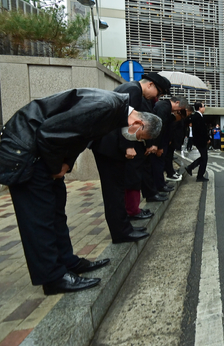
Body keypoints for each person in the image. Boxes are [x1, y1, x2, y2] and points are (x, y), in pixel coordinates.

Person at [0, 88, 162, 295]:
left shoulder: (114, 111)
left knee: (56, 211)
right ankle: (53, 278)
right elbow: (49, 133)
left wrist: (66, 164)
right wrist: (54, 168)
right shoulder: (107, 107)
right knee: (39, 218)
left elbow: (78, 137)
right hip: (26, 150)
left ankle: (67, 261)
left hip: (42, 153)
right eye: (140, 137)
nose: (136, 141)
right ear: (138, 123)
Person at [91, 72, 170, 244]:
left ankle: (125, 228)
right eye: (158, 93)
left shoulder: (129, 88)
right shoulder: (133, 90)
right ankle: (121, 233)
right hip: (109, 147)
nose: (157, 97)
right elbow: (126, 122)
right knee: (114, 192)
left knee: (118, 190)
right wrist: (128, 146)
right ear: (150, 85)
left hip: (108, 146)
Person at [151, 96, 188, 193]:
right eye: (179, 108)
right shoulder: (163, 107)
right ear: (177, 102)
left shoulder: (166, 108)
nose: (179, 111)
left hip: (162, 142)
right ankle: (159, 186)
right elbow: (160, 128)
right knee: (158, 165)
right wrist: (158, 146)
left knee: (160, 163)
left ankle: (161, 184)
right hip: (158, 143)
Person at [185, 102, 211, 181]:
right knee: (204, 158)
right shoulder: (197, 117)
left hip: (199, 140)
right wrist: (207, 139)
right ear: (199, 108)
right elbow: (201, 130)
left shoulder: (198, 116)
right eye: (203, 106)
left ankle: (191, 167)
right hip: (200, 140)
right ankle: (199, 175)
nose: (204, 108)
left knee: (203, 157)